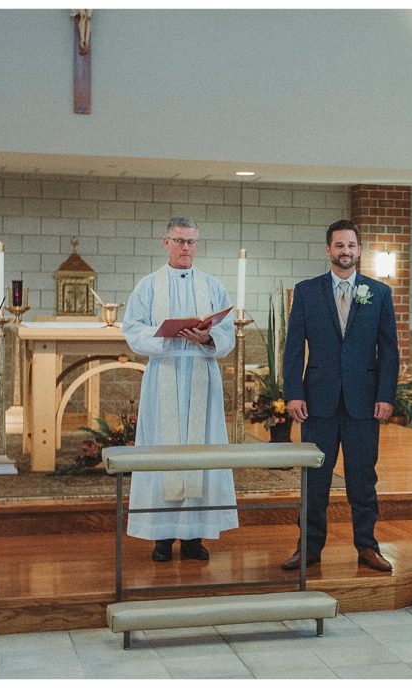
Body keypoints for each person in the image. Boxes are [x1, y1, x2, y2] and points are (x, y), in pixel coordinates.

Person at [281, 219, 398, 572]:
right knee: (315, 478)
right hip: (317, 401)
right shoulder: (306, 291)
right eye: (339, 245)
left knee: (363, 478)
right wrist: (293, 392)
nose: (345, 251)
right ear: (328, 250)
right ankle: (309, 548)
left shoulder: (379, 293)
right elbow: (292, 348)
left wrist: (386, 395)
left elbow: (389, 350)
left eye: (351, 245)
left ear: (359, 250)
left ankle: (367, 546)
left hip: (364, 402)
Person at [122, 217, 237, 562]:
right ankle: (162, 536)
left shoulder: (213, 285)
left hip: (202, 371)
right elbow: (132, 329)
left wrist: (209, 337)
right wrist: (163, 334)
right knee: (163, 450)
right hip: (165, 373)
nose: (186, 248)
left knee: (201, 453)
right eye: (180, 241)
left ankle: (194, 537)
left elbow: (227, 334)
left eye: (192, 242)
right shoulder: (148, 286)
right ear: (166, 242)